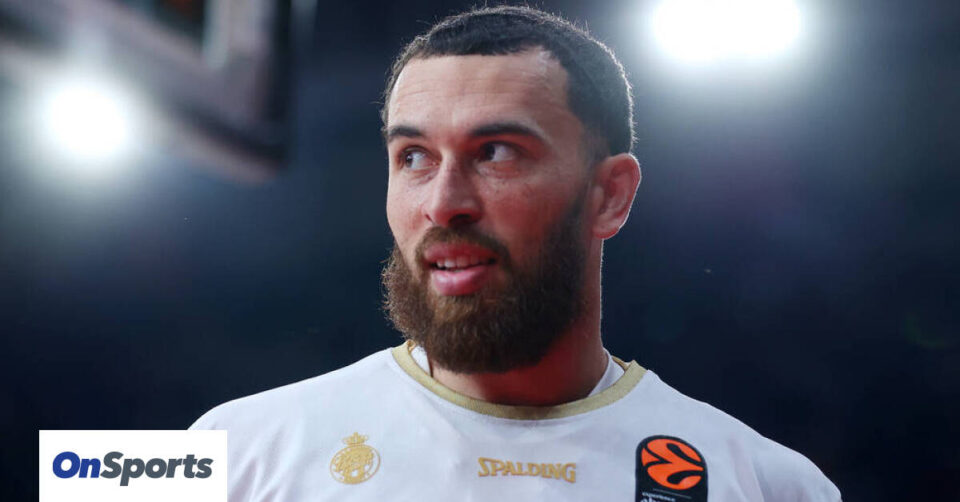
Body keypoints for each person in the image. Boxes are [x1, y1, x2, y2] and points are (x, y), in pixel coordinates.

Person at [190, 6, 841, 501]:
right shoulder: (226, 451)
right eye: (413, 157)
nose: (443, 203)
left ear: (610, 195)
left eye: (496, 153)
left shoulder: (772, 485)